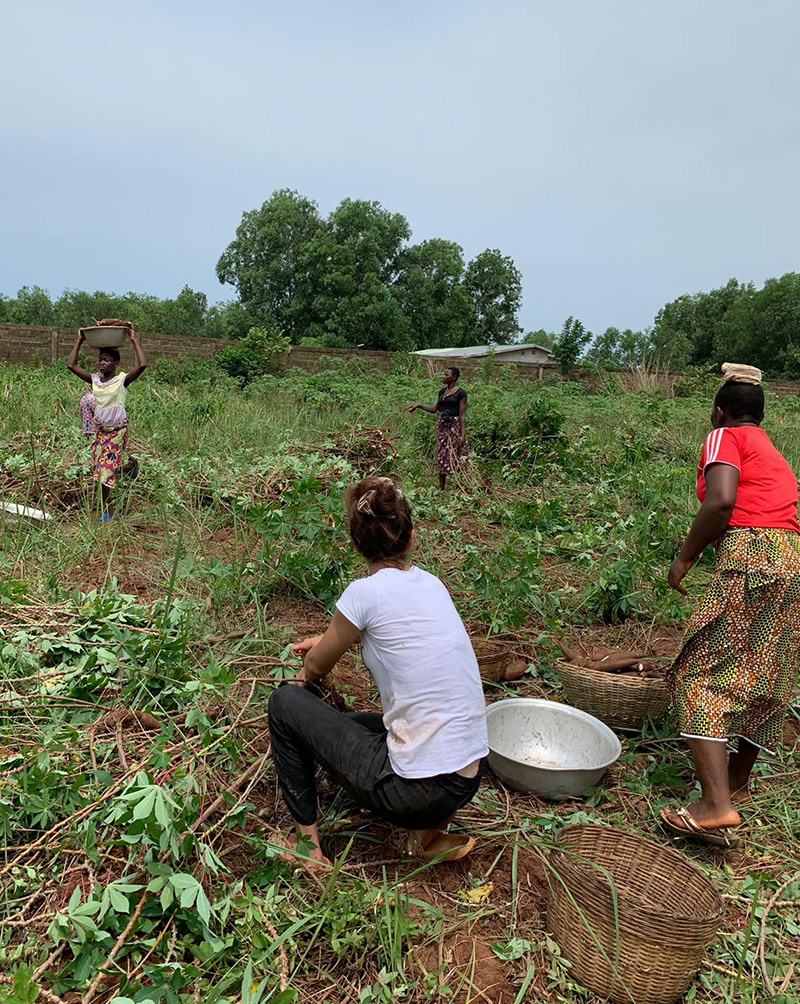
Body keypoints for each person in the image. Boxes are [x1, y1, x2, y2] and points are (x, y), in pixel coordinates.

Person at [268, 475, 488, 867]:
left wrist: (305, 675)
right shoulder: (433, 585)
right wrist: (326, 638)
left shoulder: (362, 594)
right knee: (359, 723)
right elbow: (386, 621)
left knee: (285, 705)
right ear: (411, 537)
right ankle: (429, 836)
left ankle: (307, 849)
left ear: (356, 544)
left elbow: (317, 665)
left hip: (414, 794)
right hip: (468, 778)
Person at [662, 363, 800, 847]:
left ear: (721, 411)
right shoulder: (774, 453)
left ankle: (715, 805)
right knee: (766, 676)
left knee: (698, 672)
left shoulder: (724, 436)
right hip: (790, 562)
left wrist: (684, 558)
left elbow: (720, 502)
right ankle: (735, 783)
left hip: (751, 559)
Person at [67, 320, 147, 520]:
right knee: (101, 471)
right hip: (101, 432)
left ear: (116, 363)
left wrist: (133, 340)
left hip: (118, 431)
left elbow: (143, 364)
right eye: (100, 360)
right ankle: (130, 467)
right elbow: (71, 365)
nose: (102, 363)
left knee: (105, 472)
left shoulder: (121, 380)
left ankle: (108, 514)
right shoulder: (94, 380)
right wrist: (79, 340)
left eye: (106, 360)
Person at [408, 367, 468, 489]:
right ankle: (442, 488)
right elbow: (435, 409)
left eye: (446, 375)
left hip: (454, 428)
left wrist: (462, 434)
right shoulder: (442, 392)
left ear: (454, 377)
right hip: (442, 428)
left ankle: (460, 486)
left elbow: (462, 415)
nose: (443, 376)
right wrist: (419, 406)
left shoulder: (461, 393)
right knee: (441, 455)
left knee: (456, 455)